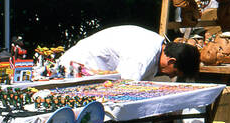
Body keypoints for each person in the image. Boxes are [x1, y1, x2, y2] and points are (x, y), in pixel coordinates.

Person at [57, 25, 199, 81]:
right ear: (171, 61)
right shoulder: (144, 54)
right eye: (174, 73)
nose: (170, 76)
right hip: (76, 68)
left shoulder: (155, 47)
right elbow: (124, 86)